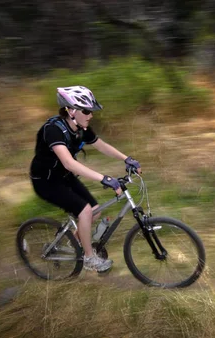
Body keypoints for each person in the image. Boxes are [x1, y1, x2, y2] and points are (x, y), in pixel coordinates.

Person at [29, 86, 142, 272]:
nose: (91, 115)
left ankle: (75, 246)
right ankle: (89, 258)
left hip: (64, 177)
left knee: (95, 212)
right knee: (85, 212)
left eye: (91, 111)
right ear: (71, 110)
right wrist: (103, 178)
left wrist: (126, 158)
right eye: (87, 111)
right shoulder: (53, 130)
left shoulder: (82, 129)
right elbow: (68, 163)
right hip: (46, 182)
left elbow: (102, 146)